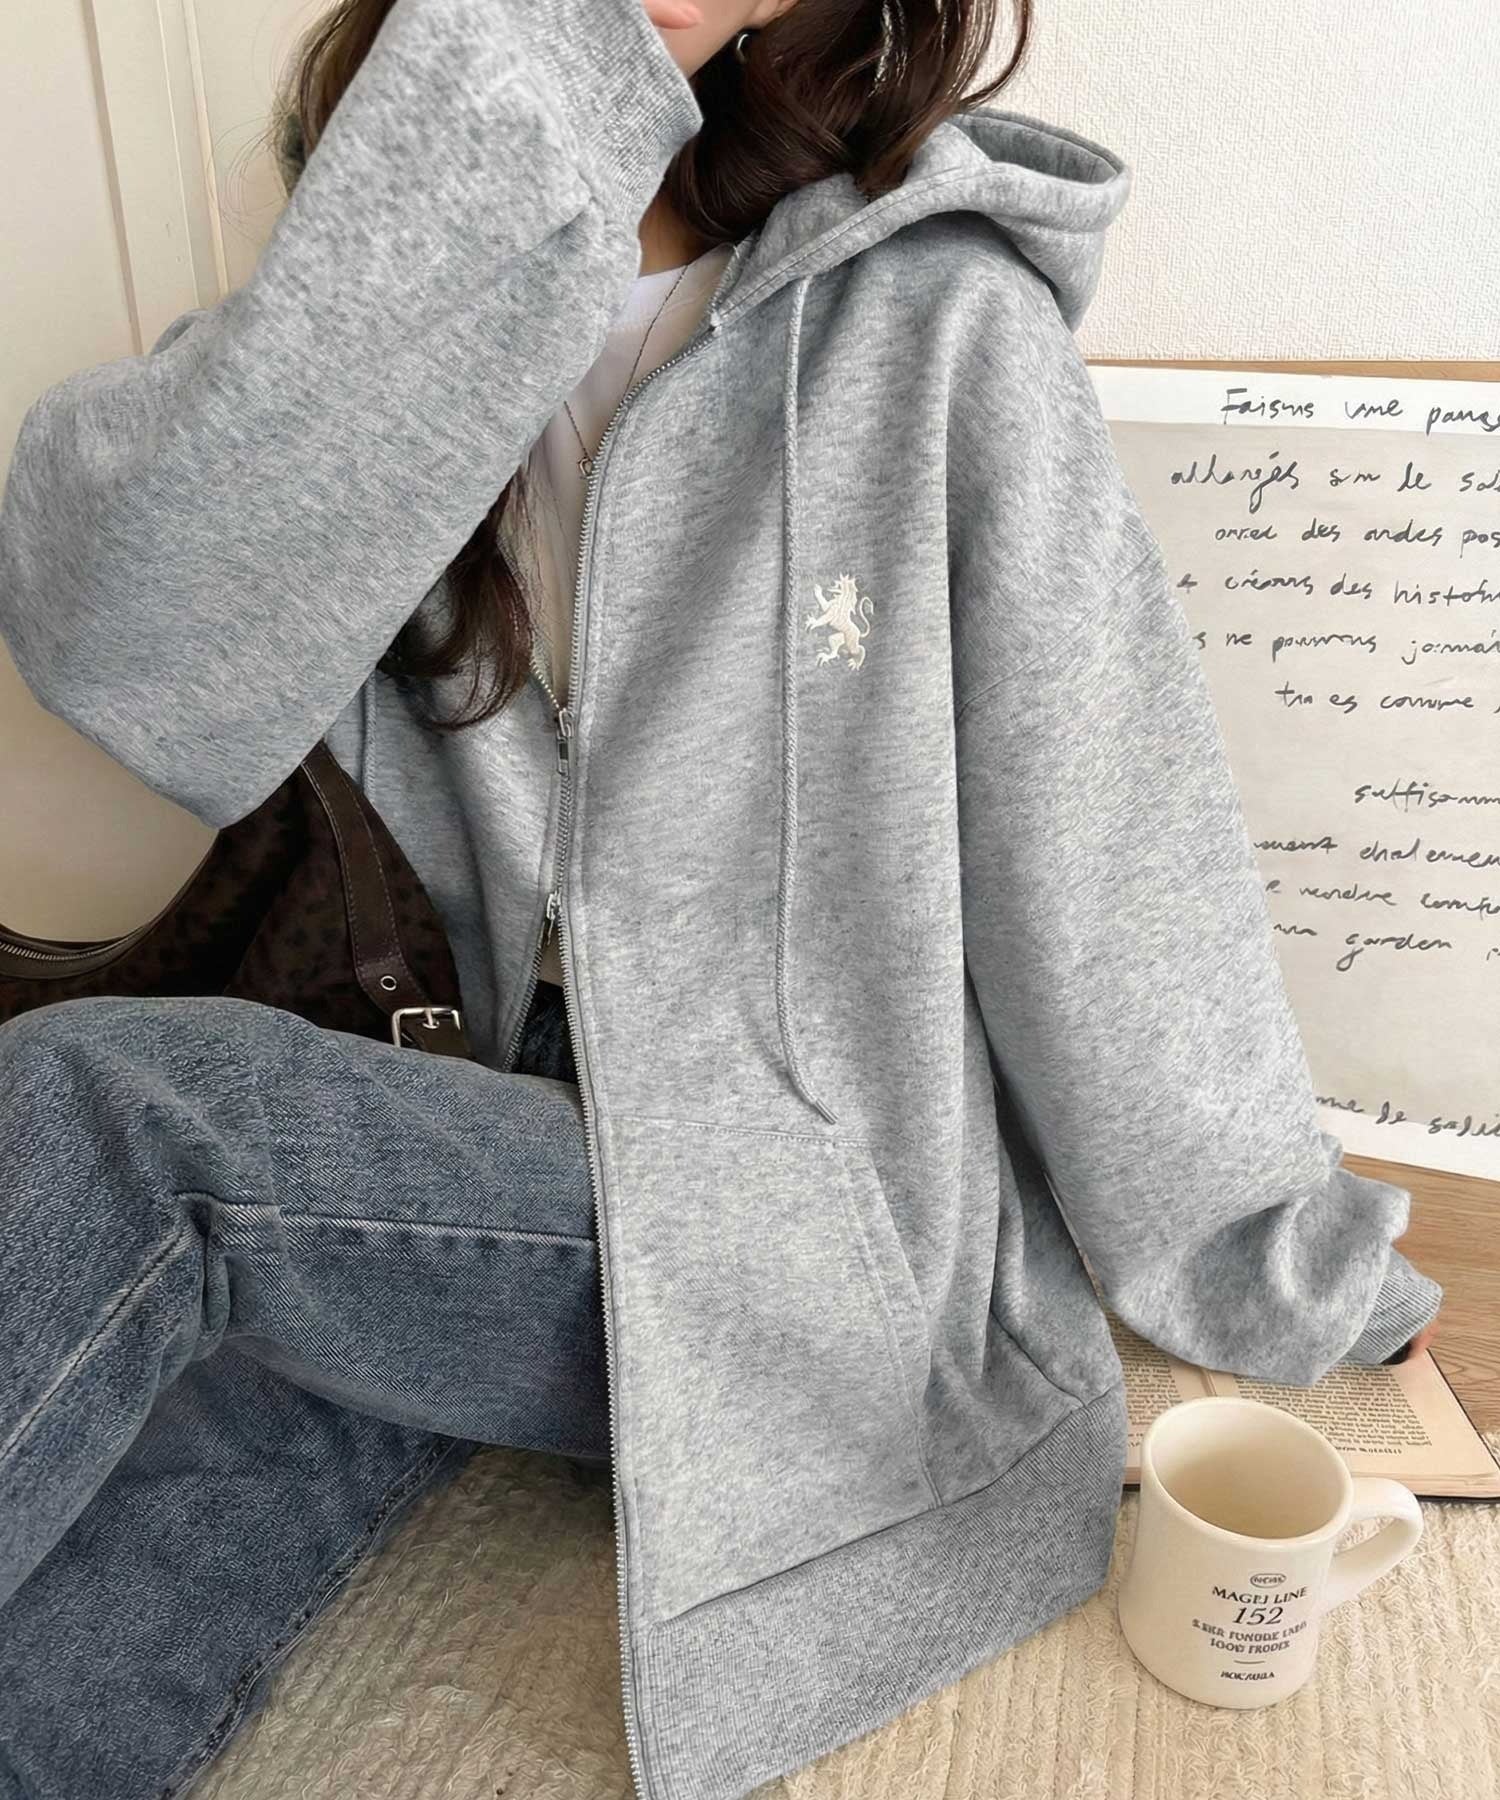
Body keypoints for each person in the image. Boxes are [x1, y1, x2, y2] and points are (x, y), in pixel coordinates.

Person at [0, 0, 1443, 1795]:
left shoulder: (938, 325)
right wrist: (483, 143)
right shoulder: (392, 305)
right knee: (91, 1621)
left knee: (117, 1117)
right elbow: (124, 653)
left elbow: (1108, 848)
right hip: (432, 1115)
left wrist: (1286, 1259)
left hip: (780, 1201)